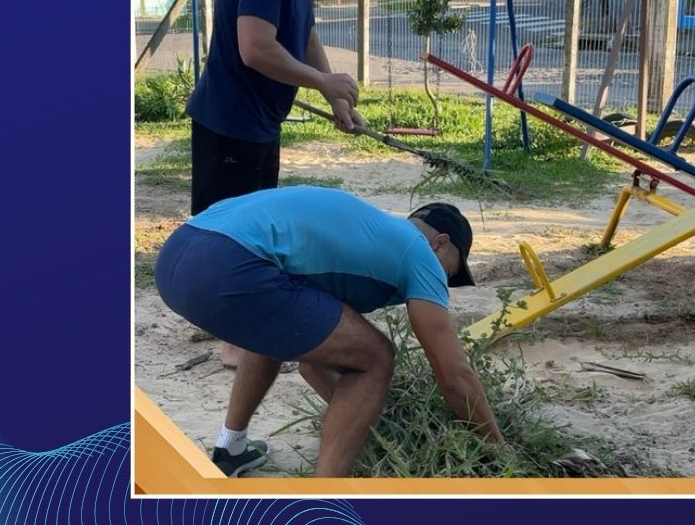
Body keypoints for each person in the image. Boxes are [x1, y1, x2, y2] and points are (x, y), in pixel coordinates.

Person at [154, 186, 505, 477]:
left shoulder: (359, 236)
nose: (443, 282)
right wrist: (500, 452)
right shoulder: (419, 254)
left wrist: (369, 420)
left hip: (179, 255)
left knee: (275, 325)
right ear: (439, 243)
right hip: (228, 263)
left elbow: (311, 359)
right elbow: (454, 377)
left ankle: (230, 448)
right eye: (451, 273)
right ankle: (323, 499)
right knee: (375, 357)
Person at [185, 0, 363, 368]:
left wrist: (331, 94)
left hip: (260, 121)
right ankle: (232, 338)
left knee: (256, 231)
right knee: (228, 235)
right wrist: (323, 78)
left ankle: (242, 326)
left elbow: (301, 34)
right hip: (230, 122)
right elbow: (256, 48)